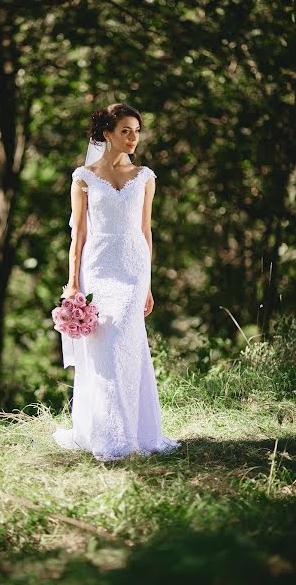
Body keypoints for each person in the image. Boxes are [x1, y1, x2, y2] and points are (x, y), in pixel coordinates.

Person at [53, 102, 181, 462]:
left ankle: (135, 430)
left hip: (133, 267)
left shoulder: (145, 176)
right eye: (125, 130)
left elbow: (146, 230)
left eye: (137, 131)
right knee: (103, 345)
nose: (133, 138)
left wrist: (149, 282)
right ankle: (106, 431)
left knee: (125, 339)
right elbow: (77, 234)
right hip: (97, 266)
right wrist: (73, 284)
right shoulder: (84, 177)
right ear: (106, 134)